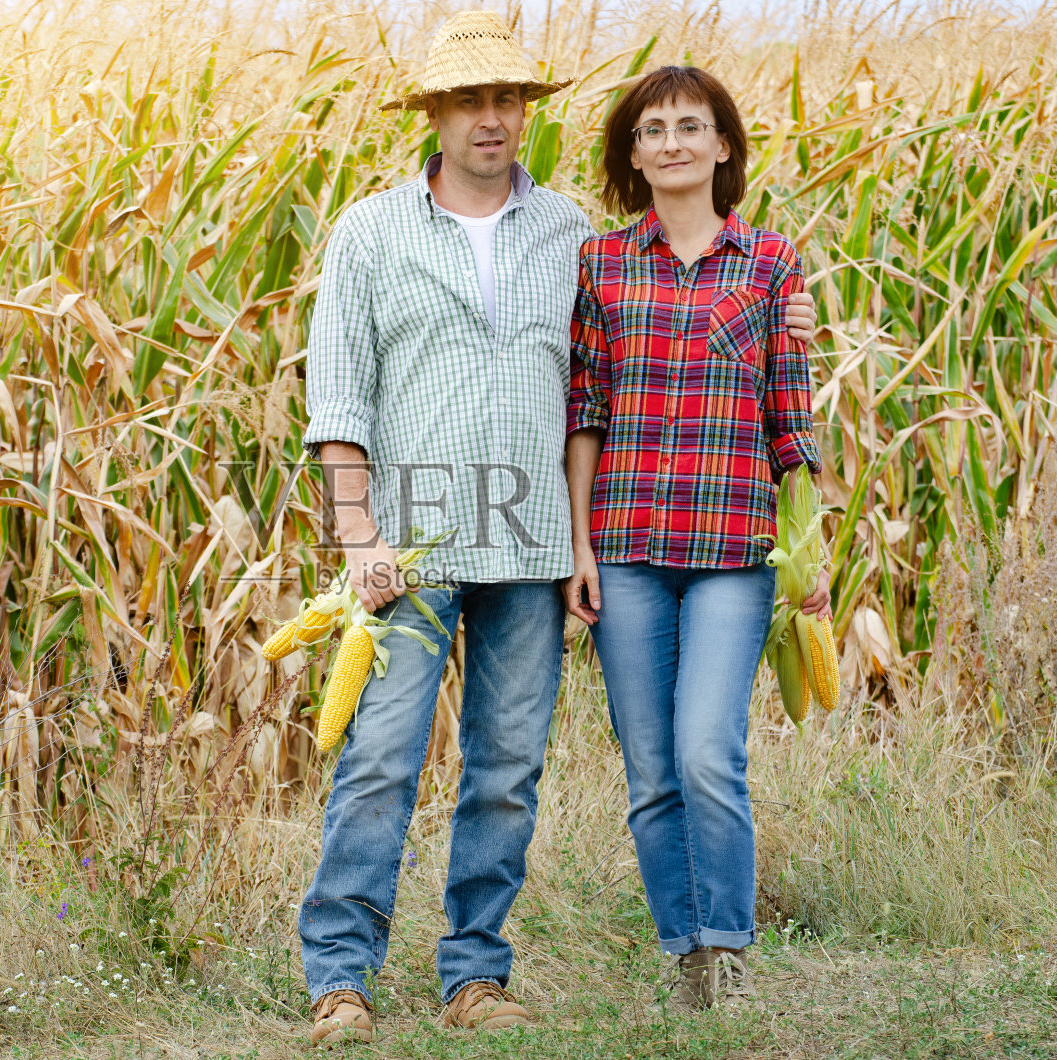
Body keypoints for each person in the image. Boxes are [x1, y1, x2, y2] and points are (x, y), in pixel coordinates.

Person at [298, 16, 818, 1045]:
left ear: (525, 114)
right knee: (381, 755)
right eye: (468, 102)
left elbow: (643, 354)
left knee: (505, 767)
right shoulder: (370, 232)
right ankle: (340, 979)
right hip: (412, 546)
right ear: (434, 116)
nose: (491, 120)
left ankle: (474, 977)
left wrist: (793, 321)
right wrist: (359, 537)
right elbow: (340, 404)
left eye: (508, 101)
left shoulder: (572, 233)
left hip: (535, 543)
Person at [563, 64, 834, 1012]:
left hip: (733, 549)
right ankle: (687, 958)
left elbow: (788, 422)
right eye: (652, 129)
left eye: (692, 125)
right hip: (627, 544)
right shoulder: (601, 264)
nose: (672, 141)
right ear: (632, 154)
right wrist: (579, 546)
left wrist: (812, 554)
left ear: (724, 146)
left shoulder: (771, 265)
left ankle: (730, 948)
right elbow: (586, 409)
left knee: (705, 751)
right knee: (648, 771)